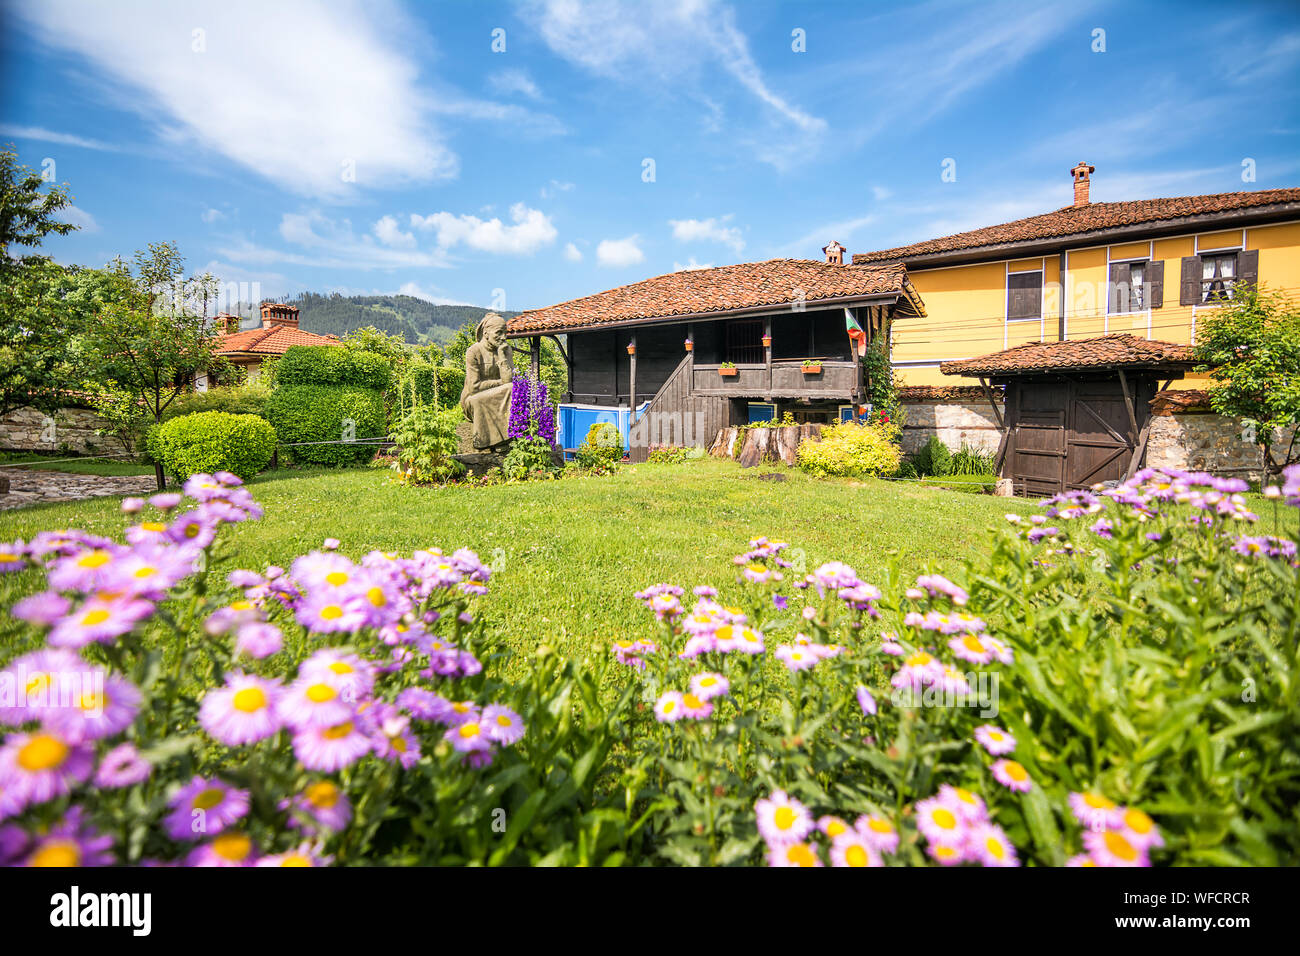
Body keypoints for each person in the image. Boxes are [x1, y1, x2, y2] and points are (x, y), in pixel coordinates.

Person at [459, 312, 514, 450]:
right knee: (478, 400)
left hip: (498, 396)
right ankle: (484, 442)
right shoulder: (473, 351)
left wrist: (502, 356)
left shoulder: (506, 350)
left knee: (513, 389)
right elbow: (474, 387)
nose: (503, 337)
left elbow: (509, 381)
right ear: (486, 333)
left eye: (505, 333)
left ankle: (503, 441)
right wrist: (500, 383)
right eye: (499, 333)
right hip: (472, 398)